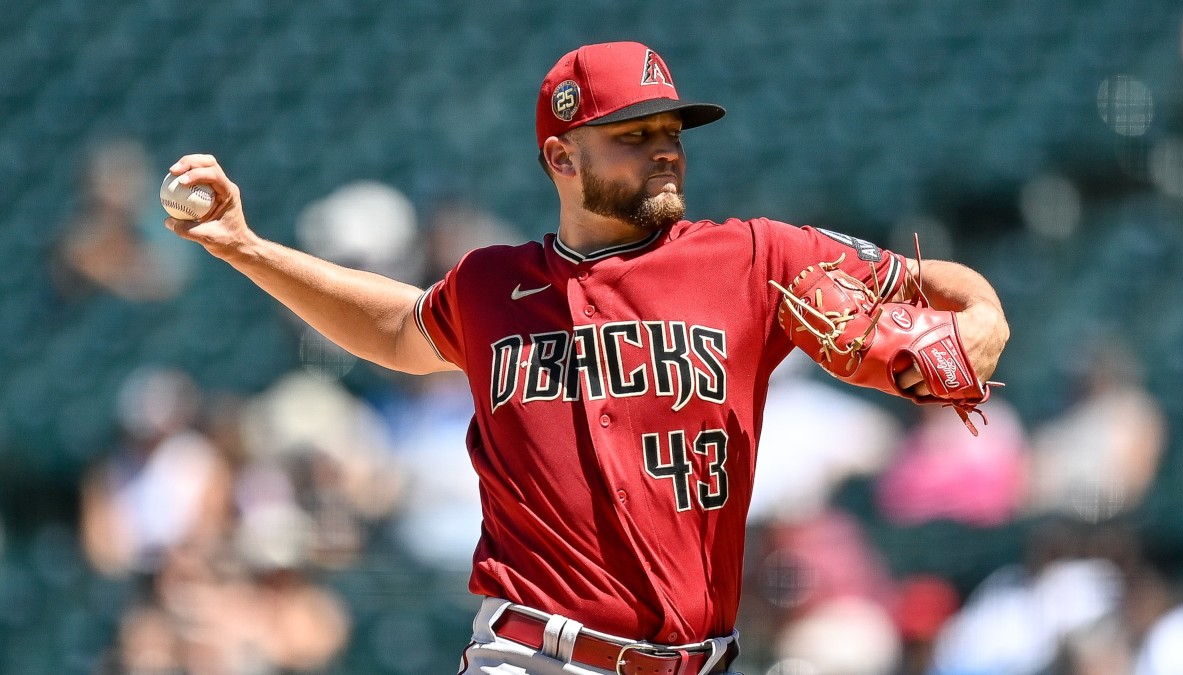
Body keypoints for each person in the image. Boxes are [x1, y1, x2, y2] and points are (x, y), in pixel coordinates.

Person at [162, 41, 1009, 675]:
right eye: (632, 134)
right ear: (561, 158)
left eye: (671, 128)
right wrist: (245, 247)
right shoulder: (492, 284)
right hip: (532, 656)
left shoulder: (757, 257)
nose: (665, 145)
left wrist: (984, 316)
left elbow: (937, 287)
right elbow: (392, 328)